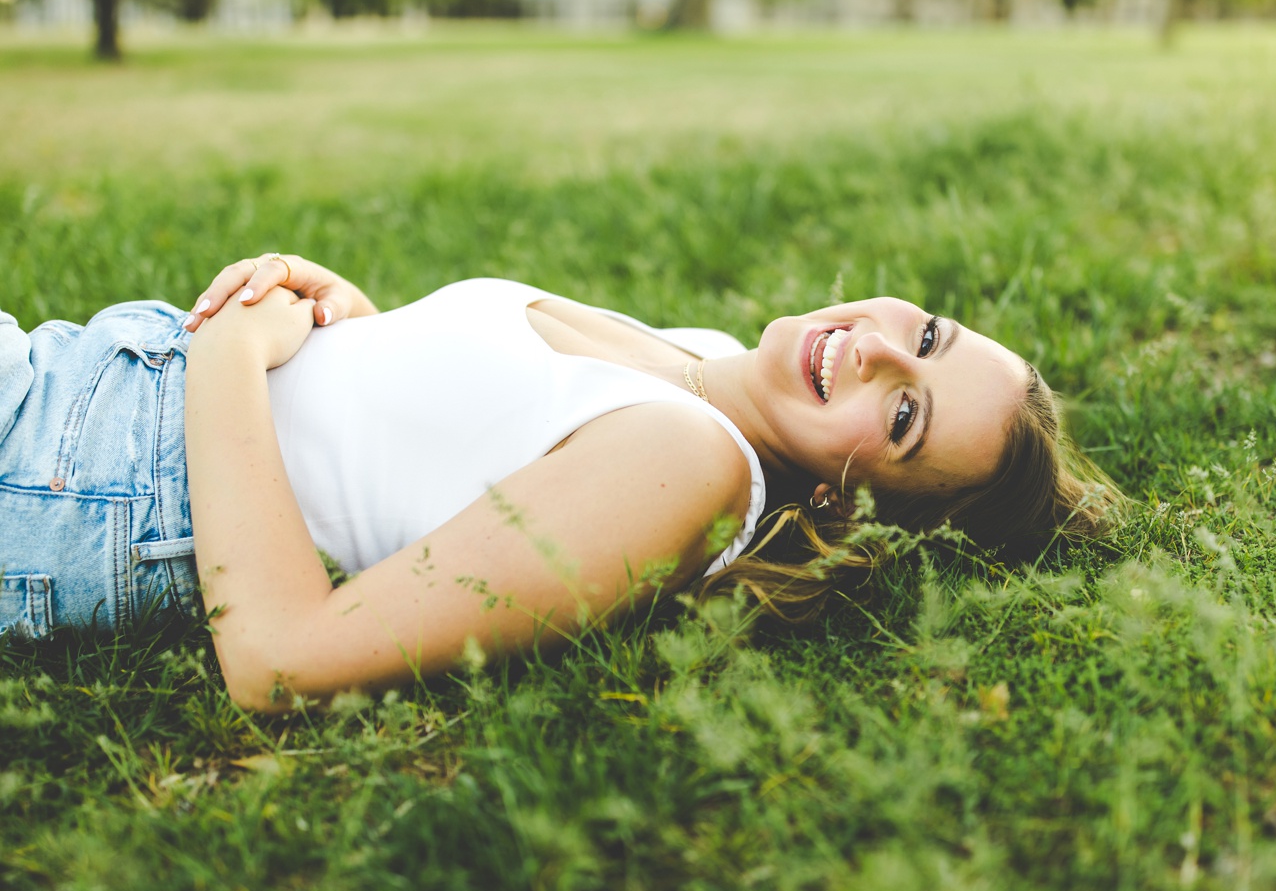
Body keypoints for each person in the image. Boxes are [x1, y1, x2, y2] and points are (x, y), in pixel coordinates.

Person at [0, 253, 1114, 711]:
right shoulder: (700, 354)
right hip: (88, 388)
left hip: (79, 481)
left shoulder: (690, 465)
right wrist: (348, 319)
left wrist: (233, 354)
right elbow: (435, 455)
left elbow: (277, 653)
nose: (879, 348)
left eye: (904, 412)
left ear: (842, 502)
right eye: (925, 331)